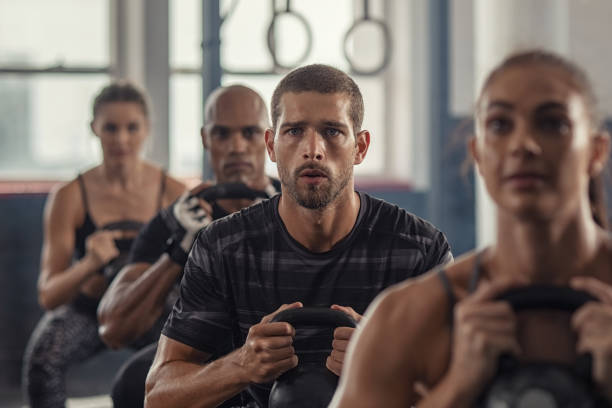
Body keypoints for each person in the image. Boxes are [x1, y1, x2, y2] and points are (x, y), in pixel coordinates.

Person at [144, 64, 453, 408]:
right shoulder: (223, 246)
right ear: (271, 146)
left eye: (333, 131)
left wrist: (385, 366)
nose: (313, 150)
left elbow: (464, 388)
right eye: (293, 131)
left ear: (361, 147)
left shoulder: (419, 250)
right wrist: (241, 365)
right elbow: (158, 395)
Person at [330, 50, 612, 408]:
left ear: (596, 150)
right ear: (478, 153)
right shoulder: (407, 317)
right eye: (499, 125)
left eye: (553, 123)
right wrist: (457, 386)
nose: (523, 145)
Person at [96, 84, 281, 408]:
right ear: (206, 139)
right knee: (131, 384)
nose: (237, 147)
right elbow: (113, 327)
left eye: (249, 133)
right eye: (222, 134)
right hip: (203, 352)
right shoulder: (176, 220)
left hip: (283, 348)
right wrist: (180, 249)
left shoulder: (297, 204)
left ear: (269, 138)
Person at [22, 82, 185, 408]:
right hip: (91, 310)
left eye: (131, 127)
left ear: (146, 130)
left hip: (150, 308)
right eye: (111, 128)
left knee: (193, 352)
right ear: (94, 129)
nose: (121, 139)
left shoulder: (172, 192)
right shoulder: (69, 197)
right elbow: (49, 295)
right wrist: (89, 263)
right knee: (43, 360)